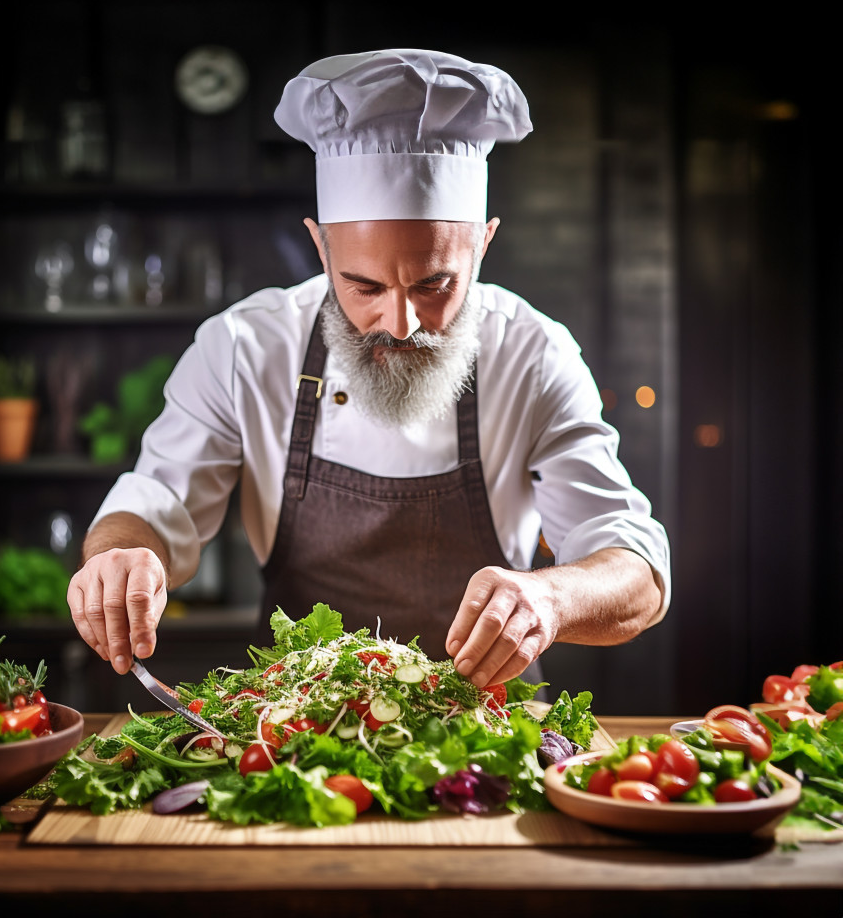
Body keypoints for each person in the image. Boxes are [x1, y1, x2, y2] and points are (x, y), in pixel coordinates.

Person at [67, 49, 670, 691]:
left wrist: (551, 601)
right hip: (294, 734)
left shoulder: (534, 353)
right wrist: (119, 559)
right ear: (322, 248)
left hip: (487, 739)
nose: (399, 322)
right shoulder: (244, 346)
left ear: (484, 244)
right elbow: (157, 504)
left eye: (435, 284)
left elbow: (636, 572)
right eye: (363, 286)